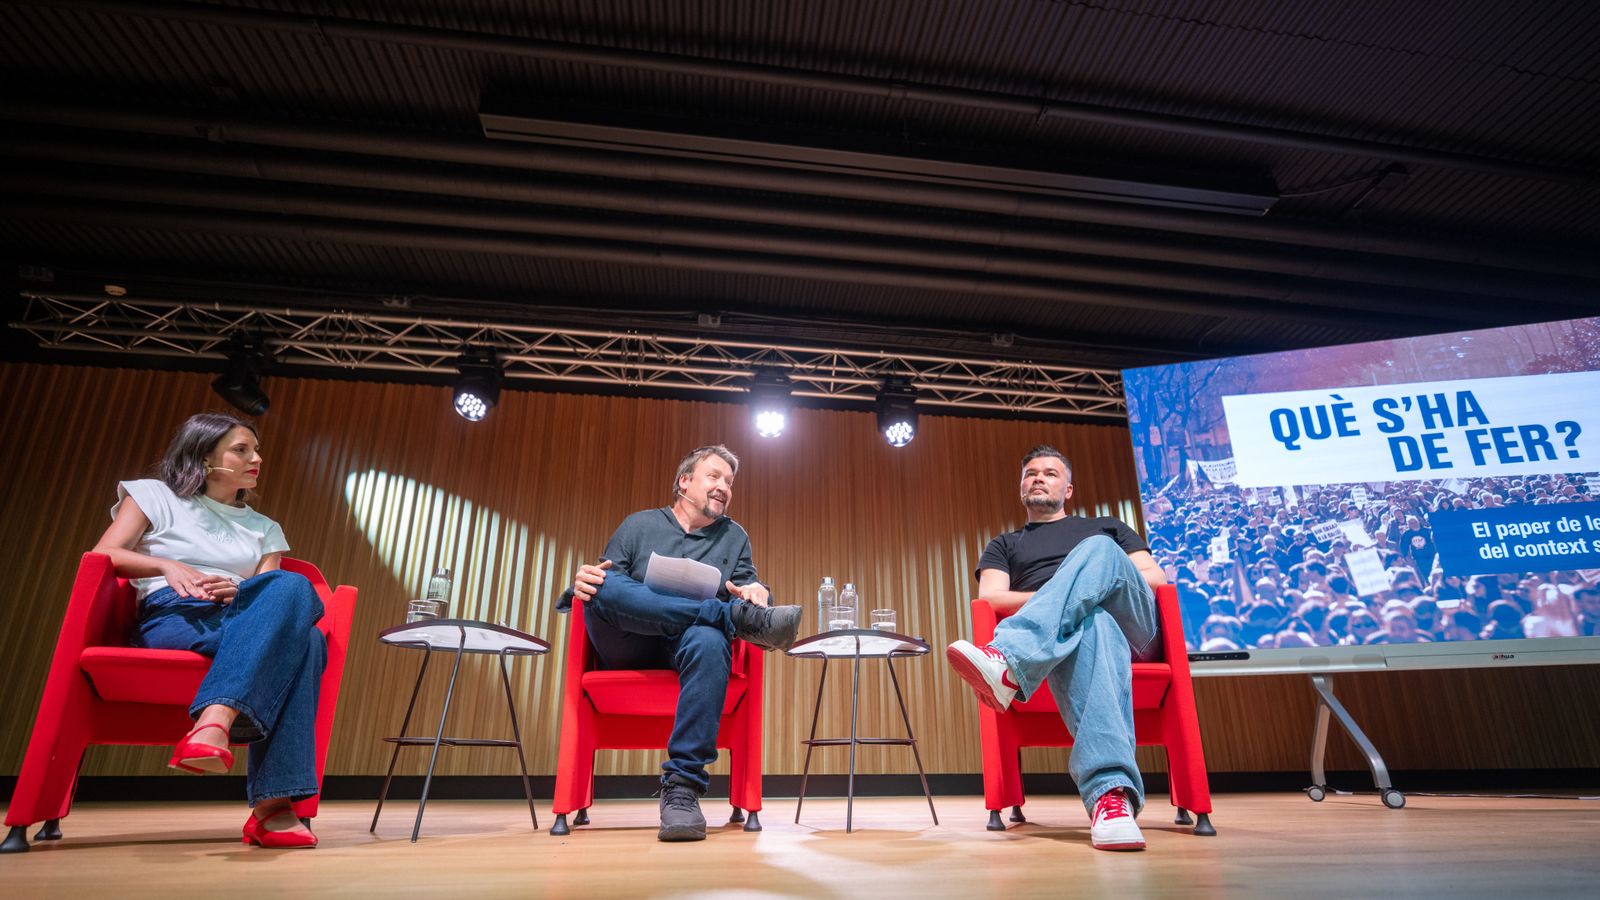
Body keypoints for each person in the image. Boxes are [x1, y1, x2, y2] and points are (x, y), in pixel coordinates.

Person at [92, 413, 325, 849]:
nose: (256, 458)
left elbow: (269, 591)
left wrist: (235, 588)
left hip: (239, 615)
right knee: (307, 641)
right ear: (203, 456)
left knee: (293, 594)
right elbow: (104, 554)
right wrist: (167, 565)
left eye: (255, 450)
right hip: (173, 614)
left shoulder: (265, 528)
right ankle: (273, 807)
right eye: (241, 450)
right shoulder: (153, 495)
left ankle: (212, 723)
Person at [566, 444, 802, 842]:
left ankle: (682, 790)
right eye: (714, 476)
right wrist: (584, 580)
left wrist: (757, 593)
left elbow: (746, 587)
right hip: (628, 644)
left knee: (711, 641)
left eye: (729, 481)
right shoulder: (639, 525)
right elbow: (608, 587)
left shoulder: (734, 537)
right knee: (604, 586)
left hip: (687, 648)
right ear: (684, 482)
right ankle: (724, 617)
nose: (724, 486)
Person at [946, 445, 1166, 852]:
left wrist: (1081, 587)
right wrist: (1073, 604)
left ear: (1068, 488)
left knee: (1099, 553)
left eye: (1049, 473)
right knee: (1093, 623)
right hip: (1082, 639)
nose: (1039, 477)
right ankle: (1110, 798)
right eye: (1030, 473)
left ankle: (1009, 662)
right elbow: (991, 599)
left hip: (1136, 629)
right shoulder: (1004, 545)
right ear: (1021, 488)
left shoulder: (1106, 528)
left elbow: (1153, 578)